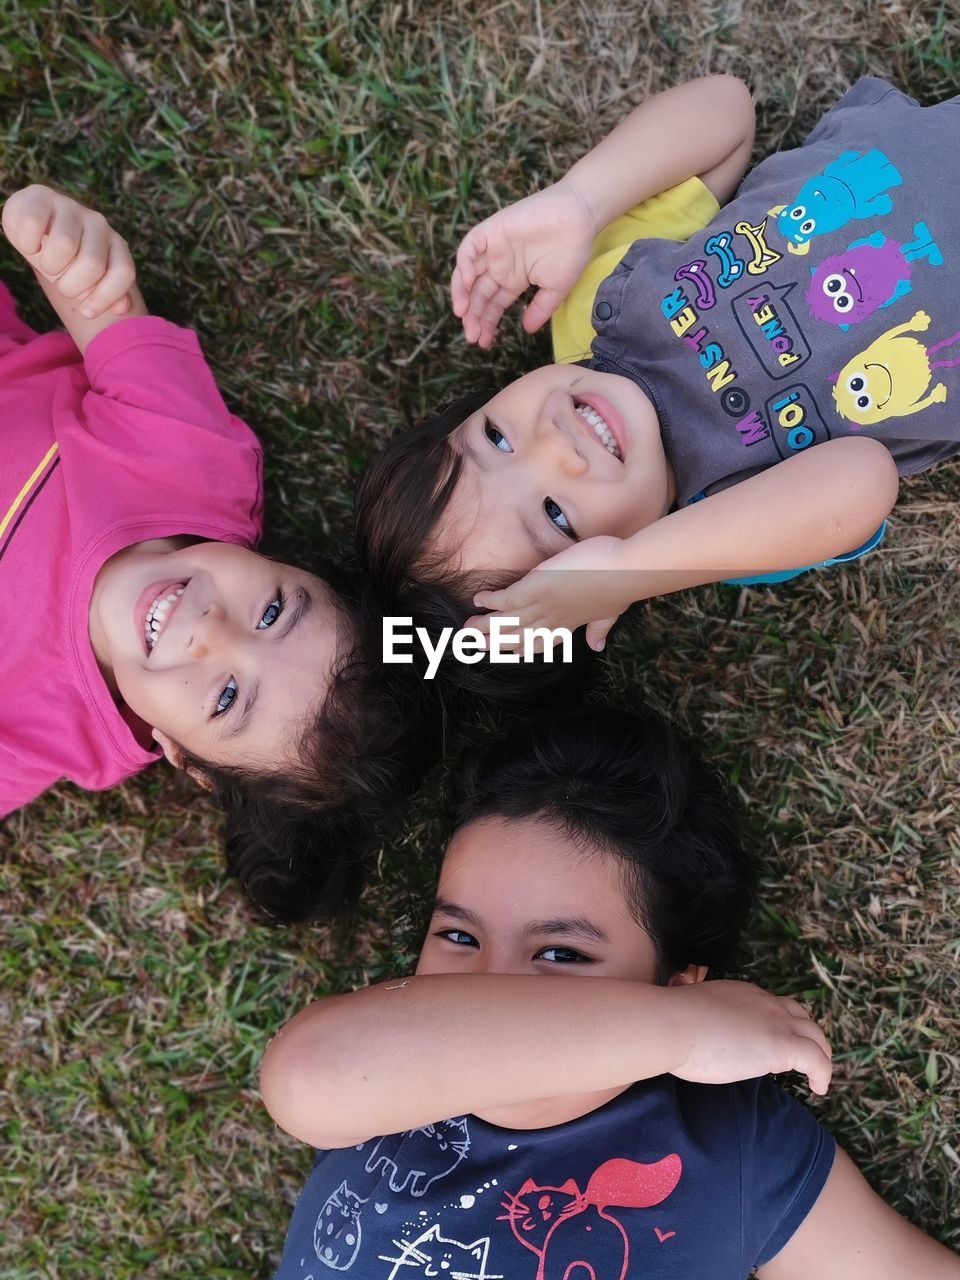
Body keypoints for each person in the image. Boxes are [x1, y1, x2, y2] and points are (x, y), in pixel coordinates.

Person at [260, 708, 959, 1279]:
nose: (494, 989)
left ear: (676, 982)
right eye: (460, 937)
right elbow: (310, 1072)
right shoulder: (385, 1065)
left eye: (561, 953)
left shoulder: (730, 1141)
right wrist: (681, 1031)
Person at [357, 75, 960, 659]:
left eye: (496, 436)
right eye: (556, 515)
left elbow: (725, 113)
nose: (554, 443)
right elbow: (864, 478)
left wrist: (581, 201)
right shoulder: (721, 525)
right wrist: (636, 570)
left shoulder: (591, 305)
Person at [0, 184, 432, 919]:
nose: (211, 632)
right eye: (270, 611)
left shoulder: (62, 733)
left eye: (229, 698)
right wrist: (70, 257)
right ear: (290, 567)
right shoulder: (193, 467)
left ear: (180, 755)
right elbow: (106, 315)